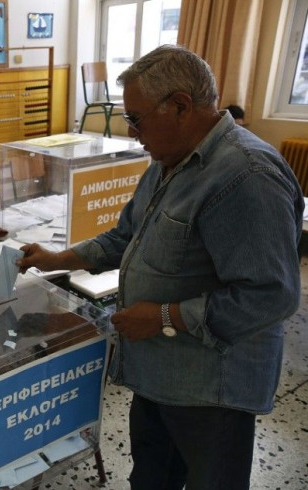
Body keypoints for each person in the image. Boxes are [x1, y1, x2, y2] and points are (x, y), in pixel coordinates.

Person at [17, 45, 303, 490]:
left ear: (181, 106)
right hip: (158, 375)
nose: (132, 133)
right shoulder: (168, 161)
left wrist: (165, 317)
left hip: (211, 392)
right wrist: (59, 259)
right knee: (151, 478)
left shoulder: (246, 176)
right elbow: (124, 235)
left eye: (136, 118)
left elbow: (271, 295)